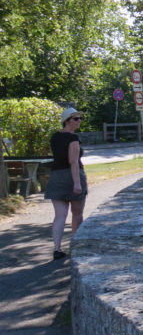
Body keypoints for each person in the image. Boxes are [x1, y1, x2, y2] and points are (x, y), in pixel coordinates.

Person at [44, 107, 87, 260]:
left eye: (80, 118)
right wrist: (77, 183)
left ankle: (56, 248)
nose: (79, 121)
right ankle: (75, 246)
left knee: (59, 215)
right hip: (72, 177)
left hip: (56, 177)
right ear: (67, 121)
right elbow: (73, 162)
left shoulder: (54, 137)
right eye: (75, 119)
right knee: (77, 214)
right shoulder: (73, 138)